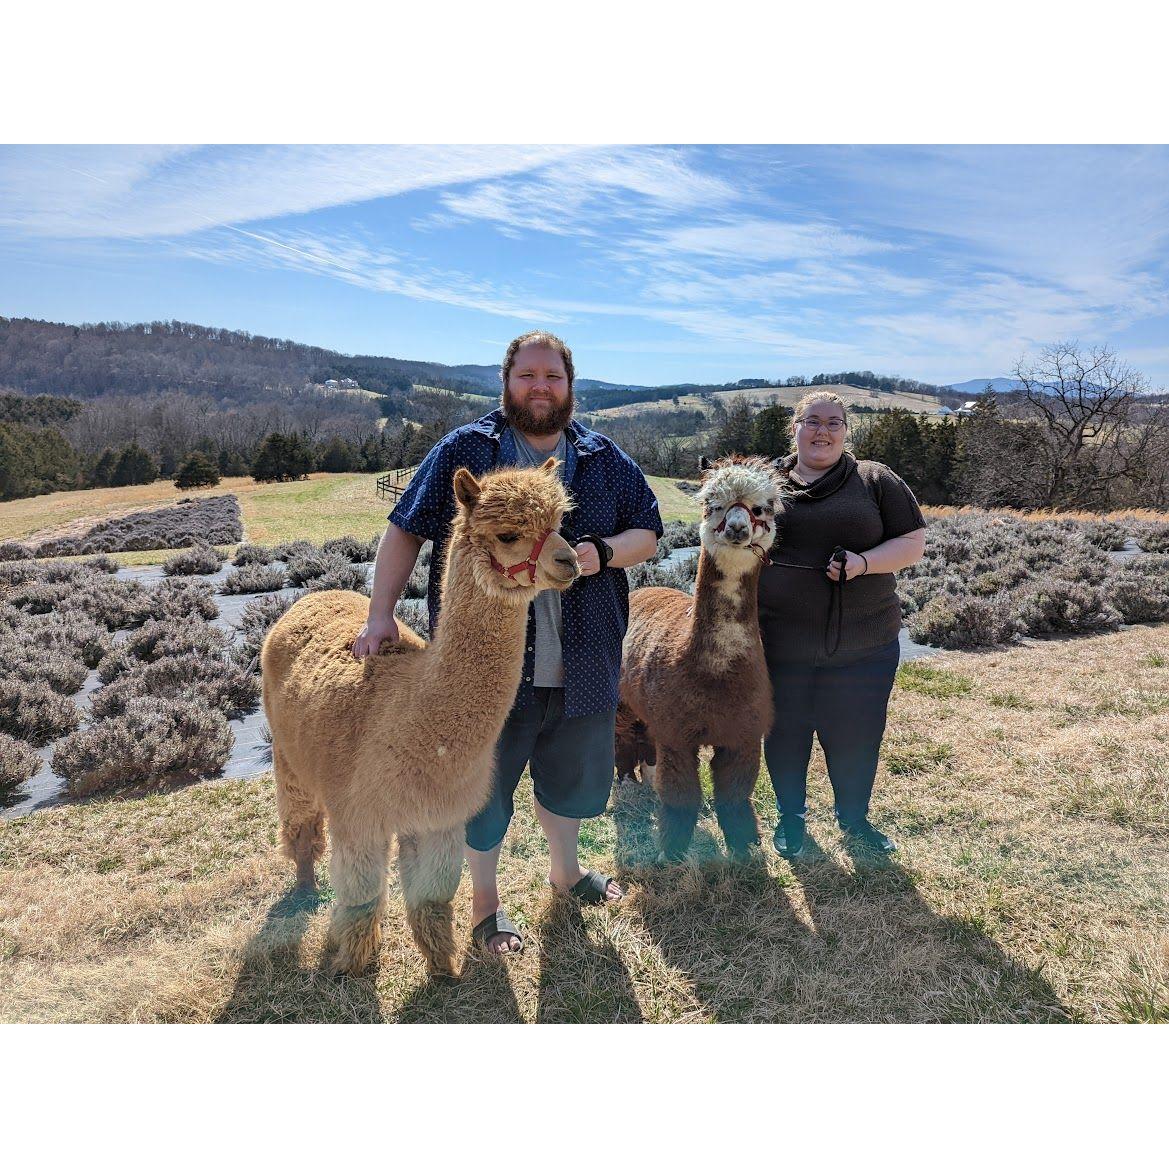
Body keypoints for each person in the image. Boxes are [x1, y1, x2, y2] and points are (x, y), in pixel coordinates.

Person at [352, 331, 662, 954]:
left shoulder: (602, 459)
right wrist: (379, 613)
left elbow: (649, 533)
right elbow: (405, 531)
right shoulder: (465, 451)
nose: (540, 387)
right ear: (507, 381)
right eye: (528, 376)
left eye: (552, 376)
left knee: (569, 783)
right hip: (486, 671)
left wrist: (598, 554)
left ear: (570, 385)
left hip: (584, 656)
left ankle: (566, 872)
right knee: (481, 794)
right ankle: (486, 905)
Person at [758, 391, 926, 859]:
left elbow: (912, 543)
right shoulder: (764, 482)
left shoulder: (874, 480)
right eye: (812, 421)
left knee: (857, 734)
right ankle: (790, 820)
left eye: (834, 422)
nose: (822, 432)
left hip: (864, 643)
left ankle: (855, 819)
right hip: (779, 643)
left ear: (847, 431)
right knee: (785, 732)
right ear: (795, 427)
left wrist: (864, 562)